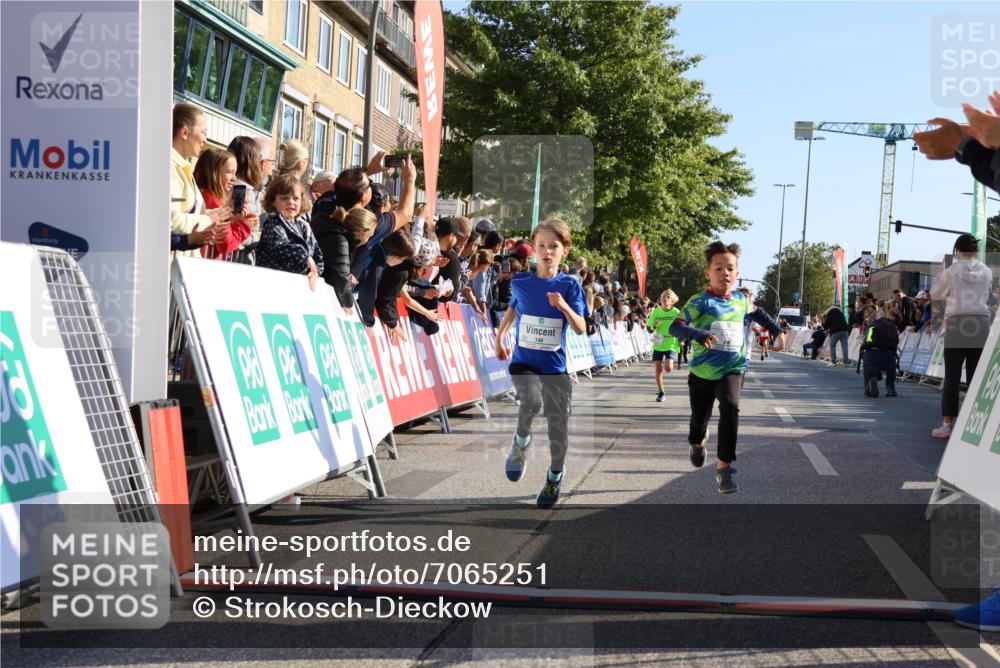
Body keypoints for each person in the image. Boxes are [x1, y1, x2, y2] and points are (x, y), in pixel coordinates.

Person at [669, 241, 785, 494]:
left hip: (733, 367)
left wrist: (777, 330)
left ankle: (725, 467)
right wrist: (698, 334)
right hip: (702, 371)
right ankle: (697, 443)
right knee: (699, 419)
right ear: (708, 274)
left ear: (737, 272)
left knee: (731, 407)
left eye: (730, 268)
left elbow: (758, 313)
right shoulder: (700, 301)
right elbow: (675, 327)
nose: (725, 273)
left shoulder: (742, 300)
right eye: (719, 269)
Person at [495, 218, 587, 508]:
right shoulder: (521, 282)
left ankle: (554, 476)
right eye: (541, 246)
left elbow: (581, 327)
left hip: (555, 369)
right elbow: (512, 312)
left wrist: (562, 306)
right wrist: (500, 339)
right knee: (530, 401)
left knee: (557, 429)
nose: (547, 252)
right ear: (533, 249)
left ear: (565, 251)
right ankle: (520, 444)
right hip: (524, 362)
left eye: (553, 246)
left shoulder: (570, 285)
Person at [928, 234, 993, 438]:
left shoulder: (952, 270)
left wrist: (941, 277)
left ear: (957, 251)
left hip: (958, 322)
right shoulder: (987, 271)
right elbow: (987, 293)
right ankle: (973, 423)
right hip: (981, 322)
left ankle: (947, 424)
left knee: (953, 375)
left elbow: (935, 294)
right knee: (976, 375)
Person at [169, 104, 230, 258]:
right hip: (171, 267)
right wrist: (208, 219)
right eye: (203, 132)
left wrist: (221, 214)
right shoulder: (170, 167)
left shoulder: (183, 166)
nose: (205, 139)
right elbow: (171, 219)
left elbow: (193, 212)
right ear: (184, 132)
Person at [256, 174, 323, 290]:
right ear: (273, 201)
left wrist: (315, 271)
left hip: (299, 285)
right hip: (274, 285)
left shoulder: (304, 226)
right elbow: (280, 246)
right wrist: (306, 257)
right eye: (284, 198)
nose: (291, 202)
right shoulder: (273, 223)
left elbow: (318, 254)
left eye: (296, 198)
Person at [192, 147, 256, 259]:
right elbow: (226, 243)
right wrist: (243, 225)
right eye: (229, 172)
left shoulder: (205, 196)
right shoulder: (213, 203)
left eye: (235, 173)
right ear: (214, 173)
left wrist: (234, 220)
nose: (234, 178)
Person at [311, 204, 377, 312]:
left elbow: (335, 266)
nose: (369, 239)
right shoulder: (340, 240)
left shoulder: (330, 229)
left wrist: (347, 274)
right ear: (361, 233)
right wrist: (348, 303)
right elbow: (340, 279)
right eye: (370, 236)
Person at [647, 289, 681, 402]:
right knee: (658, 368)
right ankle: (661, 392)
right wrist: (654, 325)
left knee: (668, 368)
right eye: (663, 298)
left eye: (668, 298)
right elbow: (649, 329)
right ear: (661, 300)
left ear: (672, 301)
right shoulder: (656, 311)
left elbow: (682, 327)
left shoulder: (676, 312)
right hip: (658, 340)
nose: (665, 300)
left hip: (671, 341)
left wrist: (682, 339)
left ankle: (669, 364)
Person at [860, 307, 899, 398]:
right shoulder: (893, 327)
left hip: (871, 354)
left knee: (869, 368)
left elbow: (866, 341)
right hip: (887, 355)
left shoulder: (872, 326)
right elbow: (895, 343)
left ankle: (869, 385)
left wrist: (863, 352)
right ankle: (890, 390)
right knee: (891, 368)